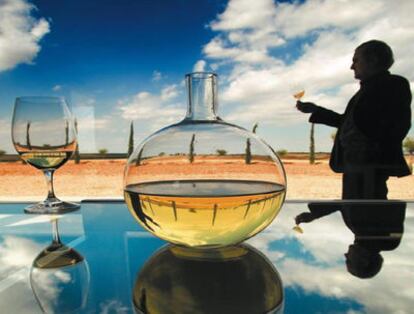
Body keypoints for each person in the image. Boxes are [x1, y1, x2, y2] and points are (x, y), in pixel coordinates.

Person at [296, 40, 412, 199]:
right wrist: (316, 110)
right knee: (354, 207)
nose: (352, 66)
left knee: (366, 212)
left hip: (370, 166)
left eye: (356, 60)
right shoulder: (367, 90)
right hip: (356, 165)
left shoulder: (393, 85)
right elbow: (349, 123)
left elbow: (395, 126)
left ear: (372, 60)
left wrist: (368, 152)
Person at [295, 201, 406, 278]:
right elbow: (397, 205)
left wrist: (315, 214)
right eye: (349, 260)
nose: (345, 255)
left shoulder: (358, 231)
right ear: (364, 260)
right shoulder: (384, 239)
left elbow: (343, 204)